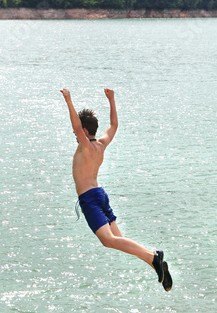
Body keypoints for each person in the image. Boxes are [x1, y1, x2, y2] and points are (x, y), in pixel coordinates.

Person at [60, 87, 172, 291]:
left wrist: (69, 100)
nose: (75, 135)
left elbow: (76, 128)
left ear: (85, 132)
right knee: (120, 240)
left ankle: (154, 257)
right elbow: (113, 125)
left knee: (108, 241)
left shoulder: (85, 146)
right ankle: (156, 266)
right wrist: (112, 100)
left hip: (90, 199)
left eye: (78, 133)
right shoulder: (100, 145)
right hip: (100, 194)